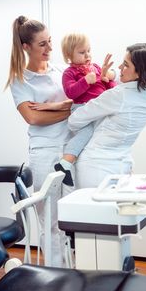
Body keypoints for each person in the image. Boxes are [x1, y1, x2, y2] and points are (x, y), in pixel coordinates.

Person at [5, 15, 73, 268]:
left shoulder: (62, 72)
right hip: (44, 153)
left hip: (72, 151)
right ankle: (56, 279)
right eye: (42, 44)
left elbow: (81, 101)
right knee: (51, 222)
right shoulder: (20, 79)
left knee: (75, 216)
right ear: (26, 47)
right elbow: (32, 117)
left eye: (50, 41)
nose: (50, 49)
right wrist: (68, 110)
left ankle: (74, 274)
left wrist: (49, 108)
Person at [68, 43, 146, 188]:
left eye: (125, 65)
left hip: (95, 166)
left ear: (140, 72)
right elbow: (117, 78)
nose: (120, 68)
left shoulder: (118, 95)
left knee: (93, 210)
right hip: (122, 165)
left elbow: (74, 121)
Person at [30, 33, 116, 186]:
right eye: (82, 52)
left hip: (98, 109)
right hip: (82, 108)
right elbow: (71, 92)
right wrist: (85, 81)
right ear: (69, 56)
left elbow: (110, 89)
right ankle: (65, 163)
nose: (87, 55)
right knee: (87, 131)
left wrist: (108, 80)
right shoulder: (69, 73)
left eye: (89, 50)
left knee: (101, 133)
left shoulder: (96, 68)